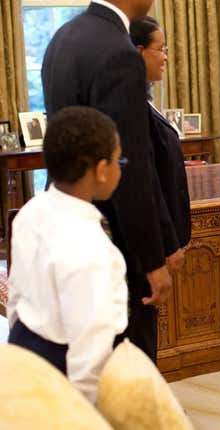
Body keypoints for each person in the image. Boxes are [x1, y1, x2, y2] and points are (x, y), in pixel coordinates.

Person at [41, 0, 175, 361]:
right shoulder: (119, 51)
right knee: (127, 360)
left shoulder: (63, 37)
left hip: (66, 221)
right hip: (112, 236)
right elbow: (129, 165)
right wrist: (152, 258)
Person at [7, 106, 127, 403]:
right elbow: (91, 346)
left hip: (24, 344)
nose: (120, 168)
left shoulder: (30, 212)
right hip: (64, 367)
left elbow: (16, 296)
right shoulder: (91, 248)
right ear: (101, 171)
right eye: (118, 160)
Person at [130, 16, 190, 273]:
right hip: (152, 245)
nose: (165, 57)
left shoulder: (143, 98)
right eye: (161, 49)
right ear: (139, 52)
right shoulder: (130, 107)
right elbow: (147, 181)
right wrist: (166, 243)